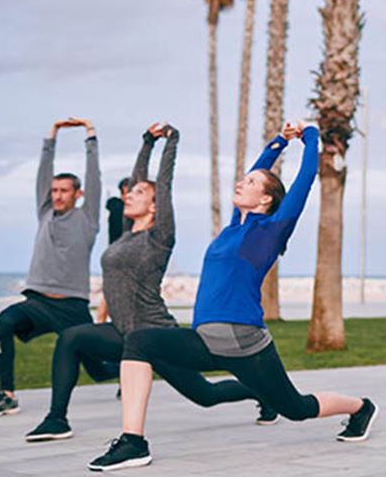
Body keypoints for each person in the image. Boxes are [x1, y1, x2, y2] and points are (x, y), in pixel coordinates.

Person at [87, 121, 376, 471]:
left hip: (244, 341)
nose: (243, 181)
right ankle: (133, 442)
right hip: (207, 340)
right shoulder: (232, 229)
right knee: (139, 342)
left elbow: (305, 177)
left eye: (252, 182)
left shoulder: (270, 231)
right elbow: (258, 172)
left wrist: (308, 136)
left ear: (267, 199)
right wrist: (277, 143)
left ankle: (361, 408)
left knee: (296, 408)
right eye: (244, 179)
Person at [25, 123, 263, 442]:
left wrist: (171, 142)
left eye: (138, 194)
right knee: (70, 339)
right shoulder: (127, 233)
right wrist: (146, 143)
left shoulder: (160, 237)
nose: (130, 194)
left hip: (155, 334)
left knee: (206, 396)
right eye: (130, 192)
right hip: (122, 332)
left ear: (154, 207)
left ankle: (260, 392)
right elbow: (140, 179)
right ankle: (57, 420)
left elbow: (162, 184)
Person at [0, 118, 100, 419]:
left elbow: (94, 176)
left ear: (78, 194)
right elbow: (43, 173)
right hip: (37, 303)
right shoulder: (44, 212)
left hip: (72, 307)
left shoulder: (87, 220)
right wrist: (52, 136)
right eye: (54, 190)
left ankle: (136, 368)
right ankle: (6, 394)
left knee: (99, 370)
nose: (57, 195)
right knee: (5, 321)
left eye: (64, 190)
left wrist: (90, 136)